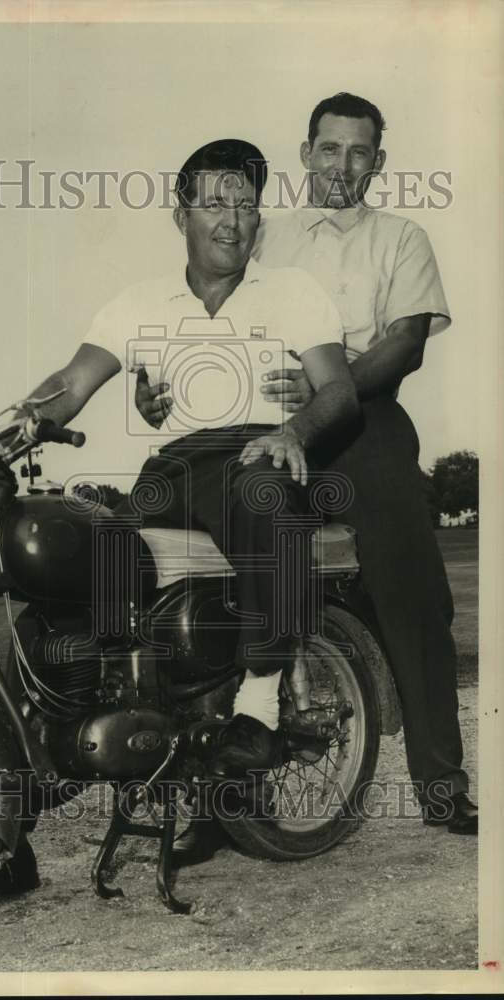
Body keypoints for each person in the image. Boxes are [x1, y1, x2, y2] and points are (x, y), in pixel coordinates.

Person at [0, 137, 359, 885]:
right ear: (180, 211)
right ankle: (7, 826)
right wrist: (14, 423)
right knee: (65, 572)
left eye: (247, 205)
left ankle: (256, 707)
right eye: (215, 202)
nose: (232, 220)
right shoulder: (135, 303)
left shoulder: (292, 290)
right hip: (172, 469)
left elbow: (339, 391)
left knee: (266, 499)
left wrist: (291, 432)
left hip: (253, 452)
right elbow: (70, 380)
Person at [136, 93, 477, 839]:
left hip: (362, 424)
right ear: (305, 153)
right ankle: (220, 793)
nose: (341, 166)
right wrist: (156, 386)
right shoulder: (263, 235)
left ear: (377, 163)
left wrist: (332, 389)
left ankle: (440, 784)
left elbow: (405, 342)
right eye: (329, 149)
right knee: (191, 583)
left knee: (409, 588)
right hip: (251, 428)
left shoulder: (399, 237)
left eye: (359, 152)